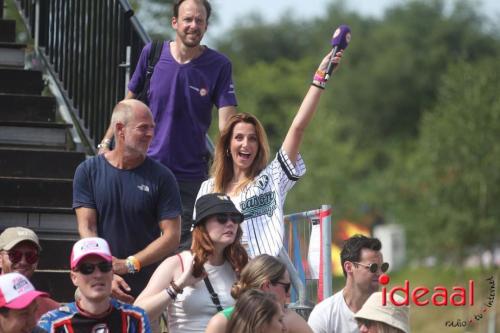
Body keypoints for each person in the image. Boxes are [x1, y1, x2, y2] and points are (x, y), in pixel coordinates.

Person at [98, 0, 238, 253]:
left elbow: (227, 123)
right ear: (175, 22)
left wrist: (228, 167)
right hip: (143, 170)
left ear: (206, 26)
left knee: (180, 254)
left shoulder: (219, 65)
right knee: (133, 247)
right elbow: (127, 106)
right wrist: (106, 143)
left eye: (199, 20)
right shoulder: (152, 54)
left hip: (188, 178)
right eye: (187, 19)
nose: (193, 25)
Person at [196, 49, 344, 259]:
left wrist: (320, 77)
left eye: (253, 138)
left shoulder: (272, 178)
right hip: (225, 279)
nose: (246, 144)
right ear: (227, 146)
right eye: (239, 138)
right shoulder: (208, 189)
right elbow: (199, 241)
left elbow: (298, 128)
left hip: (265, 278)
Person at [73, 99, 182, 302]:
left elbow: (172, 236)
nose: (150, 134)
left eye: (152, 128)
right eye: (143, 128)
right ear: (120, 130)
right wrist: (107, 272)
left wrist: (130, 264)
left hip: (147, 291)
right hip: (97, 283)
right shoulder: (88, 171)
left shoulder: (163, 177)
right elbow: (87, 228)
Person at [134, 193, 248, 333]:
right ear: (202, 225)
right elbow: (136, 314)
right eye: (222, 218)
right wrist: (178, 286)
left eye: (235, 218)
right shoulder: (177, 264)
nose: (230, 223)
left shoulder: (241, 266)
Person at [38, 237, 151, 332]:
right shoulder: (52, 323)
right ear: (74, 278)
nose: (97, 275)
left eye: (104, 267)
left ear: (112, 273)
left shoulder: (135, 318)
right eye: (87, 268)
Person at [205, 254, 313, 333]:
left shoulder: (290, 318)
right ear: (267, 286)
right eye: (286, 287)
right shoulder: (221, 323)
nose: (289, 294)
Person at [307, 235, 389, 333]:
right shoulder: (324, 314)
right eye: (373, 267)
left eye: (383, 267)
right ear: (349, 267)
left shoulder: (389, 311)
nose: (380, 274)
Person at [0, 227, 60, 320]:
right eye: (14, 255)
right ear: (0, 259)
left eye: (30, 256)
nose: (23, 262)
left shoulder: (52, 310)